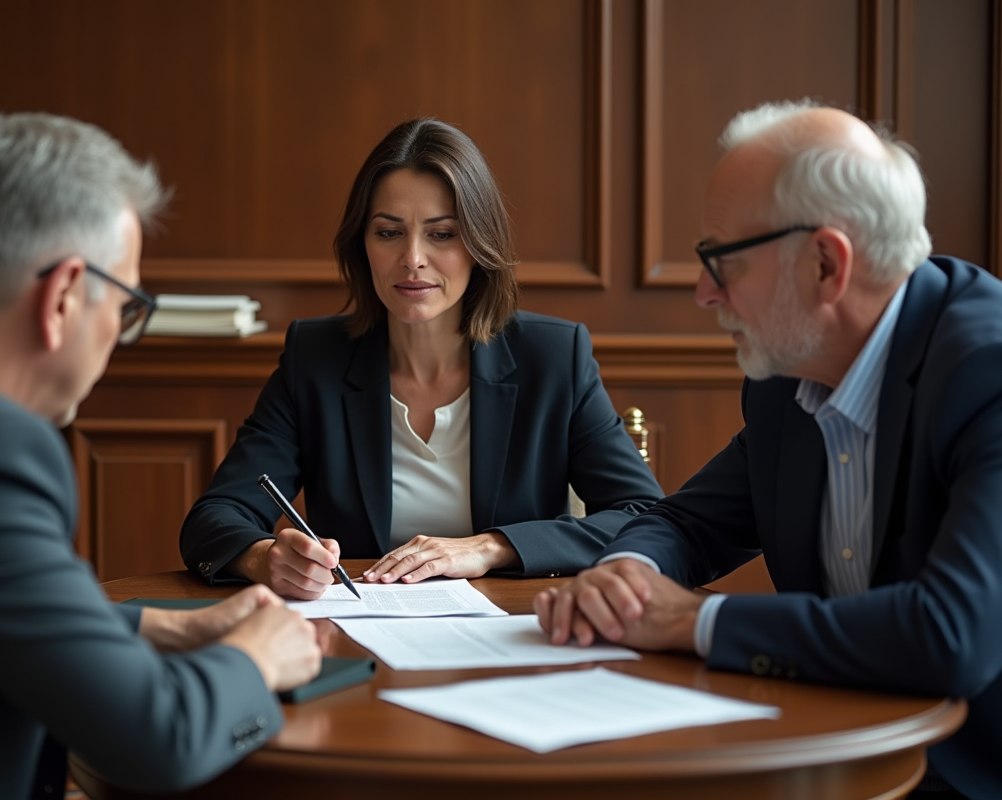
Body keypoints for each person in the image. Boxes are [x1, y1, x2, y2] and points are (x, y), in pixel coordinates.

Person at [535, 100, 1002, 799]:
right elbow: (688, 522)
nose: (705, 293)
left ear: (827, 263)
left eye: (721, 260)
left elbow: (952, 635)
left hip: (989, 773)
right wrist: (625, 575)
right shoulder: (787, 375)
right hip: (833, 752)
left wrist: (694, 620)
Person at [0, 113, 321, 799]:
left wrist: (162, 628)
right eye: (126, 306)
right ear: (62, 296)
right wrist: (257, 657)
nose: (119, 337)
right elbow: (159, 741)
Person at [181, 118, 662, 599]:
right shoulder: (316, 358)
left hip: (513, 635)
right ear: (362, 246)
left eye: (442, 234)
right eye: (389, 233)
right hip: (363, 635)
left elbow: (642, 516)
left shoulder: (554, 357)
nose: (412, 258)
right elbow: (215, 517)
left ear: (479, 244)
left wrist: (492, 547)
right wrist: (264, 557)